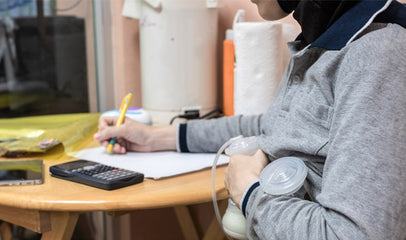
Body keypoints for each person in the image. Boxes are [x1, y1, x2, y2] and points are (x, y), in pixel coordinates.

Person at [94, 0, 406, 239]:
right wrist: (157, 137)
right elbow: (271, 127)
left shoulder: (378, 53)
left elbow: (352, 234)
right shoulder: (325, 40)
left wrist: (249, 193)